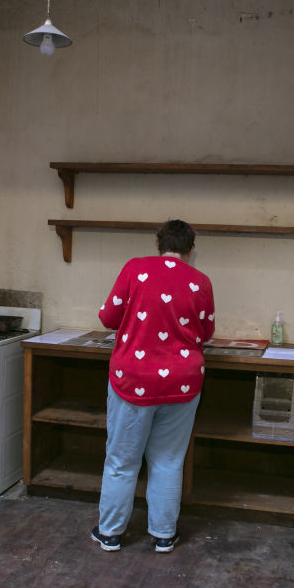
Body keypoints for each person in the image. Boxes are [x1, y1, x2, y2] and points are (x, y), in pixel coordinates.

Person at [91, 219, 215, 553]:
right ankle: (163, 535)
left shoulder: (135, 269)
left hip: (134, 379)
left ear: (158, 244)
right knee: (168, 460)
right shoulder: (200, 281)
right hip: (183, 381)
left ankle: (111, 533)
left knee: (121, 461)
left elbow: (108, 318)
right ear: (191, 249)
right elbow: (206, 331)